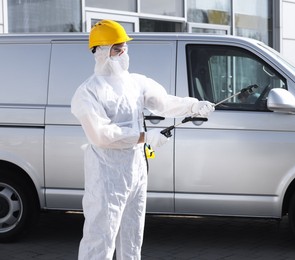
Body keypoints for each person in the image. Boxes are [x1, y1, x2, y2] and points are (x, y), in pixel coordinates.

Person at [71, 20, 214, 260]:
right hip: (106, 175)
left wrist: (193, 105)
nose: (123, 52)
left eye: (125, 47)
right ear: (101, 52)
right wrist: (144, 137)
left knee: (132, 235)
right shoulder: (88, 92)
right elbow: (101, 134)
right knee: (100, 238)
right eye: (117, 48)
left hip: (136, 170)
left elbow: (164, 102)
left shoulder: (135, 82)